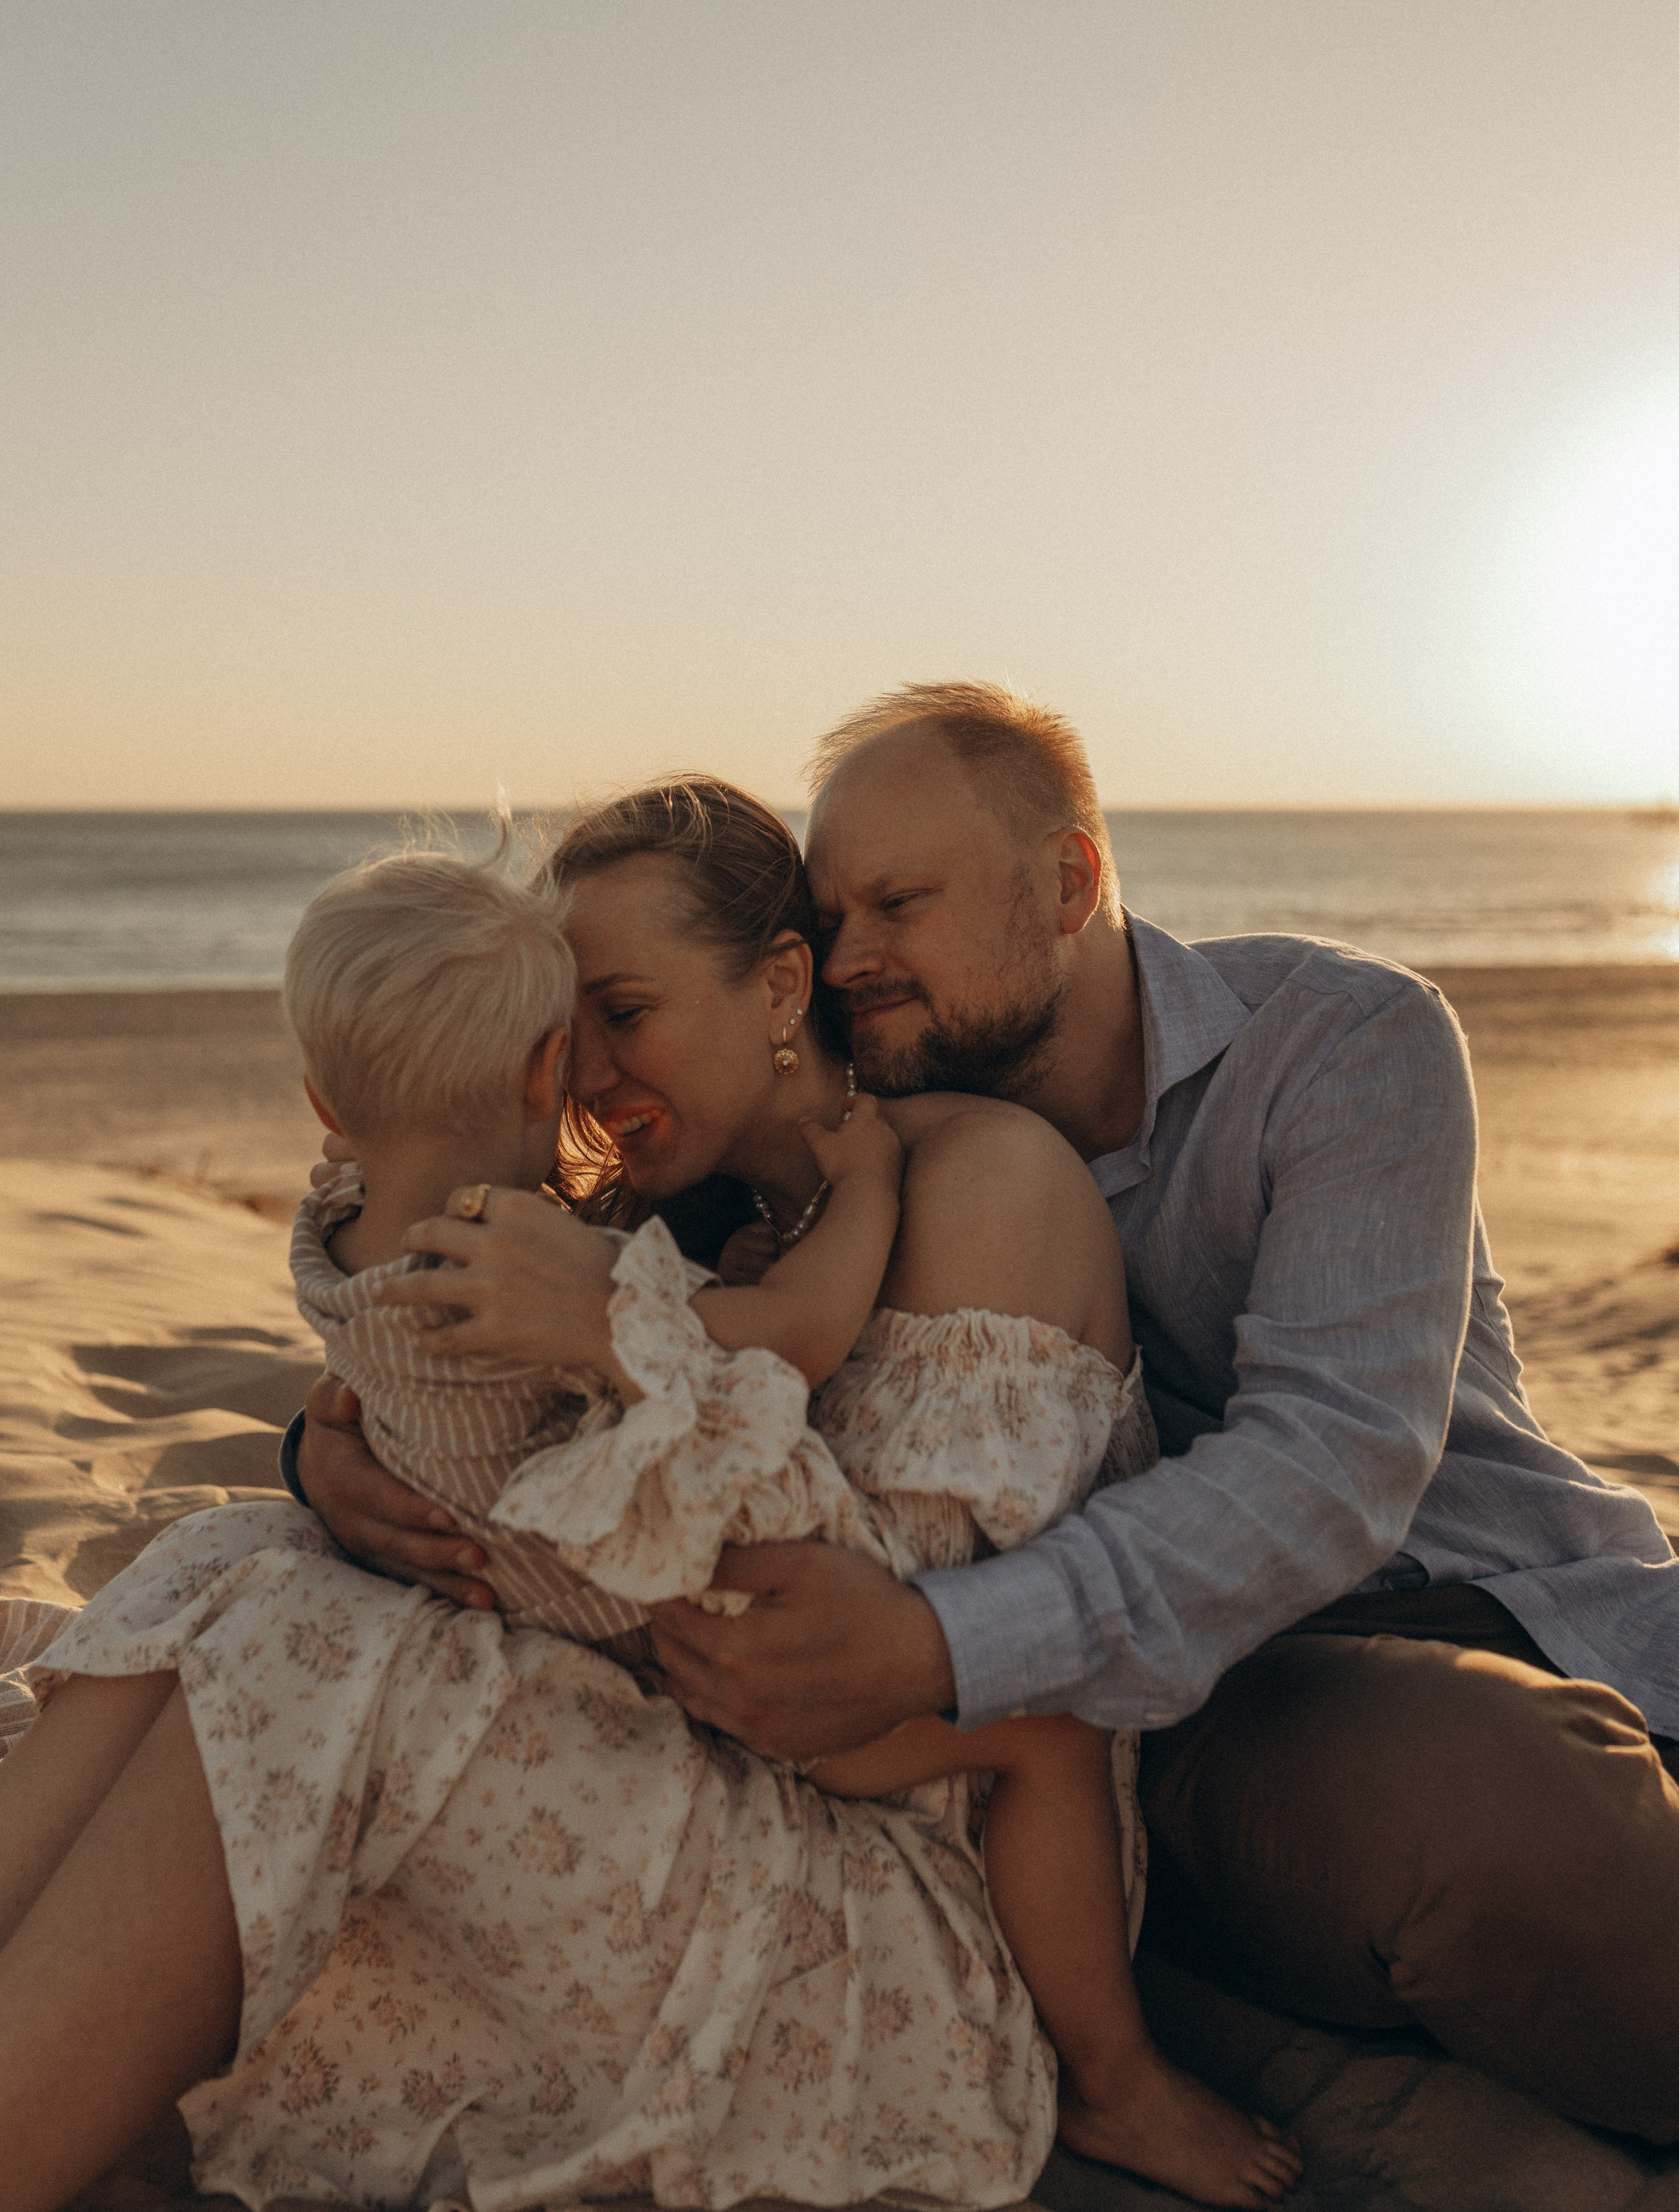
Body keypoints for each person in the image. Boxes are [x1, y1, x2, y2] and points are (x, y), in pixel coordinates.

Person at [304, 686, 1679, 2146]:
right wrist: (318, 1454)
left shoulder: (1337, 1042)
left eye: (896, 904)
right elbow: (497, 1334)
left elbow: (1335, 1469)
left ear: (1070, 881)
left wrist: (944, 1648)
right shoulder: (810, 1160)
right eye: (829, 918)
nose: (848, 960)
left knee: (1510, 1785)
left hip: (1458, 1592)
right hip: (1203, 1715)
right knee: (1476, 1804)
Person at [0, 785, 1295, 2212]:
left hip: (896, 1898)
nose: (579, 1074)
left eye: (624, 1011)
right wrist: (331, 1476)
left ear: (780, 986)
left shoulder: (973, 1183)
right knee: (231, 1559)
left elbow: (834, 1659)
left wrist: (615, 1351)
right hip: (697, 1792)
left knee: (306, 1653)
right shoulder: (665, 1221)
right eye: (565, 1028)